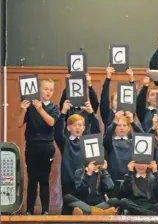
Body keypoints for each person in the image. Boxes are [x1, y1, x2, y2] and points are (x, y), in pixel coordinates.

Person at [16, 79, 59, 215]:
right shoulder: (29, 105)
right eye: (46, 89)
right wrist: (23, 110)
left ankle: (45, 210)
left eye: (51, 90)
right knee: (32, 179)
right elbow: (18, 123)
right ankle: (29, 210)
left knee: (44, 179)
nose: (48, 92)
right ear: (38, 89)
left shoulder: (53, 107)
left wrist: (40, 109)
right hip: (32, 146)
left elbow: (51, 122)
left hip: (46, 146)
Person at [54, 100, 101, 215]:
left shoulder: (88, 142)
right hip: (68, 182)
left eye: (80, 125)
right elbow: (57, 132)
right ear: (69, 128)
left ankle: (86, 210)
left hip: (83, 182)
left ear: (84, 128)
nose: (77, 128)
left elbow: (97, 132)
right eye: (74, 125)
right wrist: (63, 112)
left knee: (82, 211)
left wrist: (91, 113)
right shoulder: (65, 142)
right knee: (68, 208)